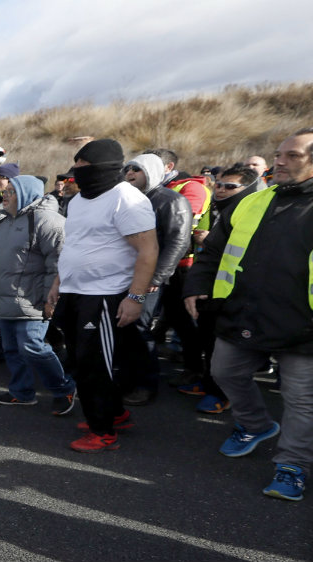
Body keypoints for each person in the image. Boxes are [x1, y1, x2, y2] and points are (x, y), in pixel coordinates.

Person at [183, 128, 313, 501]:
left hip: (304, 325)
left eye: (292, 156)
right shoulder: (254, 201)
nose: (280, 161)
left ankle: (292, 467)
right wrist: (196, 286)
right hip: (243, 312)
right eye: (278, 154)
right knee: (224, 372)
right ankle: (255, 425)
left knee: (301, 399)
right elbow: (213, 250)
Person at [47, 139, 157, 453]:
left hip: (105, 295)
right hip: (74, 292)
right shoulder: (79, 200)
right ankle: (115, 414)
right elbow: (74, 245)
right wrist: (58, 282)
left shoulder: (127, 198)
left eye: (85, 169)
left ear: (106, 169)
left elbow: (148, 251)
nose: (78, 174)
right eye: (76, 167)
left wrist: (135, 299)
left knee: (96, 364)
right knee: (79, 362)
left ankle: (103, 431)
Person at [0, 176, 76, 415]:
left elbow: (58, 264)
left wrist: (51, 299)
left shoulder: (48, 221)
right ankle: (22, 392)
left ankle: (64, 388)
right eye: (4, 191)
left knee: (32, 347)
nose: (4, 195)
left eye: (11, 192)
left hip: (33, 299)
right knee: (11, 349)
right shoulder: (3, 220)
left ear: (26, 194)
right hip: (5, 298)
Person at [183, 163, 259, 414]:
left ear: (248, 188)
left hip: (238, 296)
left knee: (225, 351)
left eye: (230, 186)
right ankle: (208, 383)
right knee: (207, 341)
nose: (222, 190)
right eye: (219, 185)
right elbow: (211, 254)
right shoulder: (220, 209)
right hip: (213, 290)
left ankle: (221, 394)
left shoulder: (254, 212)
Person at [120, 153, 192, 406]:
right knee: (123, 327)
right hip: (124, 274)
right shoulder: (128, 200)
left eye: (136, 170)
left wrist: (157, 276)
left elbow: (178, 242)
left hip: (149, 278)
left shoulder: (170, 200)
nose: (130, 173)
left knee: (139, 327)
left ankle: (145, 384)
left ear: (151, 172)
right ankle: (127, 377)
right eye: (128, 169)